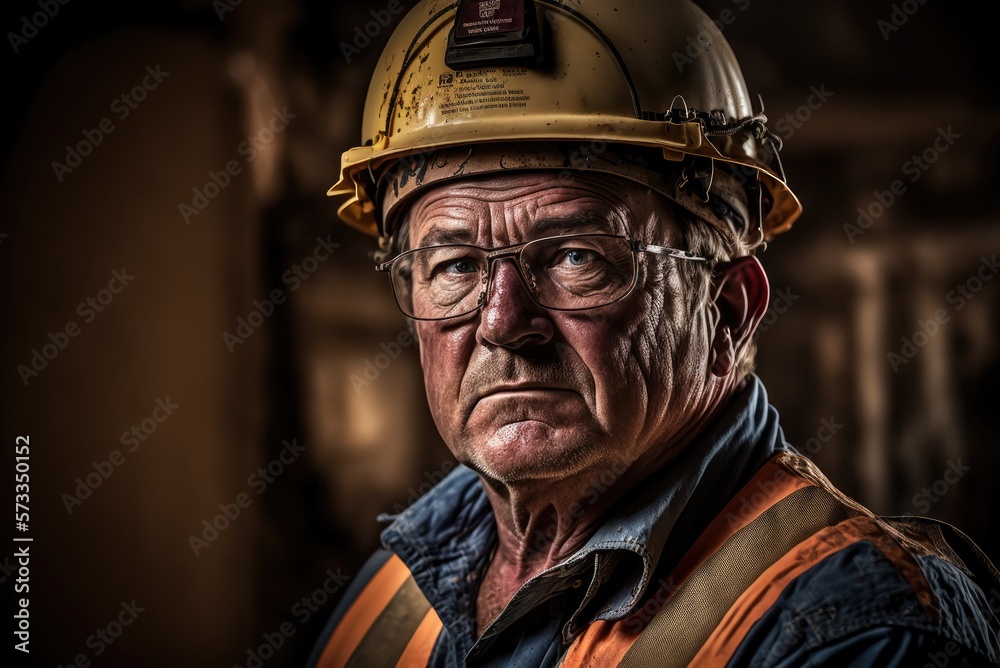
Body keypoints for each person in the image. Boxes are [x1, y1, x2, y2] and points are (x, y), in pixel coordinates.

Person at [309, 0, 1000, 665]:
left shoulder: (853, 626)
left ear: (728, 309)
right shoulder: (390, 598)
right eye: (455, 265)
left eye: (577, 257)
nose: (501, 322)